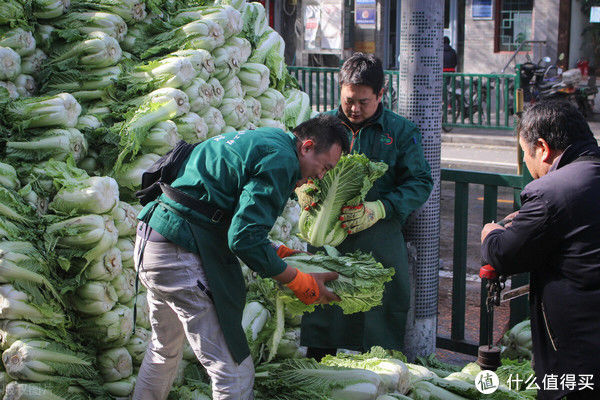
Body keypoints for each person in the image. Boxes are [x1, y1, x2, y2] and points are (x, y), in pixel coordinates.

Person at [132, 114, 350, 400]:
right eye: (324, 167)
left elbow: (222, 208)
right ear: (307, 146)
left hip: (151, 240)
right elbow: (243, 239)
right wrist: (297, 281)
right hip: (179, 252)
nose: (320, 176)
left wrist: (276, 251)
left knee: (164, 349)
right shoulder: (282, 159)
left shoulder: (266, 140)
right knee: (233, 370)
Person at [300, 53, 433, 360]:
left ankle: (383, 382)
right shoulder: (320, 127)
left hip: (379, 240)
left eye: (364, 101)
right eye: (349, 100)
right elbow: (299, 164)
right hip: (329, 242)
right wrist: (303, 188)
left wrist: (380, 208)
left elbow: (420, 182)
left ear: (381, 94)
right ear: (340, 91)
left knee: (379, 322)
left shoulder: (400, 131)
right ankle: (317, 377)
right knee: (324, 316)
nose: (355, 109)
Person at [481, 101, 600, 400]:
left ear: (543, 148)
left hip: (579, 355)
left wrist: (491, 234)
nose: (527, 163)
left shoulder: (550, 192)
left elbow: (504, 253)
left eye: (525, 153)